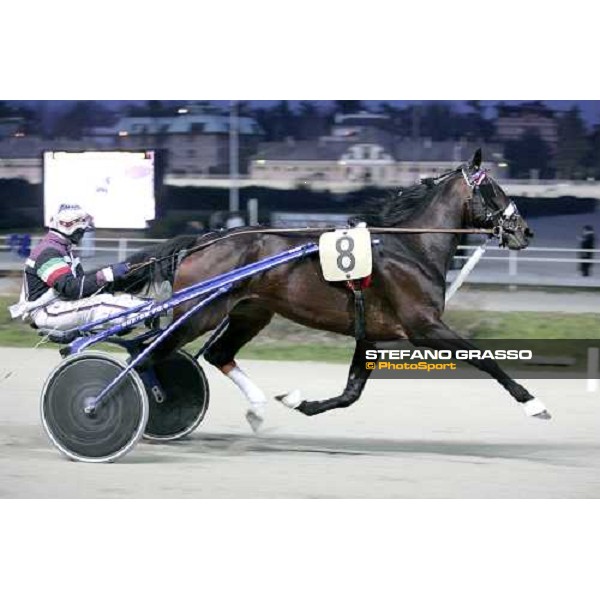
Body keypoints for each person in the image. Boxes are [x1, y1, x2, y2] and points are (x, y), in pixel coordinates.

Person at [9, 203, 147, 332]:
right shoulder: (48, 252)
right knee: (101, 304)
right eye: (81, 231)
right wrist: (107, 274)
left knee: (121, 300)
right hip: (46, 311)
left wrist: (113, 279)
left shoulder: (64, 249)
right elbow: (70, 289)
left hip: (60, 306)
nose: (82, 235)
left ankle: (150, 313)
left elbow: (82, 286)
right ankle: (153, 313)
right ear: (68, 226)